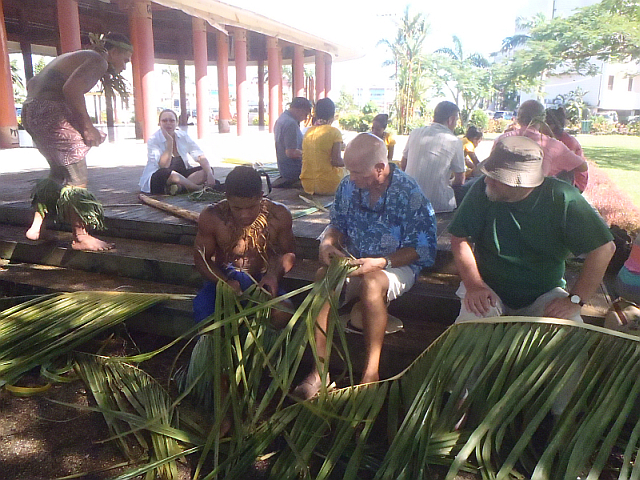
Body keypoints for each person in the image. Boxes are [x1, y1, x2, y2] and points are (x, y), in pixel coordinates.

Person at [293, 133, 437, 399]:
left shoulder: (408, 191)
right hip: (355, 259)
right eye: (349, 171)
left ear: (380, 168)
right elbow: (336, 224)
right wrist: (327, 244)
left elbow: (422, 247)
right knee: (323, 277)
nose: (351, 177)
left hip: (395, 264)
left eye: (357, 172)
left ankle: (370, 374)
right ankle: (318, 371)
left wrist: (382, 262)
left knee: (372, 283)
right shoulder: (349, 186)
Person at [449, 136, 615, 325]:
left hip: (545, 294)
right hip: (487, 288)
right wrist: (474, 285)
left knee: (568, 333)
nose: (487, 180)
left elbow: (604, 249)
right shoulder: (482, 189)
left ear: (519, 182)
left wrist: (575, 300)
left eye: (496, 177)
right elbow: (459, 237)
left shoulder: (562, 197)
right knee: (468, 331)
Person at [22, 32, 132, 251]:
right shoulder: (98, 59)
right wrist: (87, 127)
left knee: (58, 170)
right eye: (126, 59)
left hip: (30, 110)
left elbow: (33, 83)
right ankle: (80, 236)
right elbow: (71, 89)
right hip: (49, 112)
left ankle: (37, 227)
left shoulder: (76, 56)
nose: (125, 66)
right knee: (77, 174)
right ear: (115, 52)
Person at [192, 166, 296, 328]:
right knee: (207, 319)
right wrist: (225, 282)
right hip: (223, 279)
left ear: (261, 197)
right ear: (227, 198)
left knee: (283, 312)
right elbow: (201, 259)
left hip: (263, 282)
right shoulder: (212, 217)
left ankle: (262, 351)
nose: (244, 215)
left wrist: (273, 276)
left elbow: (288, 253)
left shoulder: (279, 215)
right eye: (237, 208)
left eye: (251, 207)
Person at [496, 100, 588, 190]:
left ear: (518, 118)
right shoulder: (555, 145)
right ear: (542, 120)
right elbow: (582, 167)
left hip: (506, 194)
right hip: (541, 196)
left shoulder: (502, 139)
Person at [401, 101, 466, 213]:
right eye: (456, 121)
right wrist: (449, 182)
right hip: (438, 206)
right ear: (450, 120)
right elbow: (460, 180)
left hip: (408, 200)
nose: (455, 124)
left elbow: (403, 165)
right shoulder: (454, 141)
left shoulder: (415, 133)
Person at [139, 109, 216, 194]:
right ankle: (195, 188)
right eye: (164, 121)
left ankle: (179, 187)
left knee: (206, 169)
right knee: (165, 173)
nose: (168, 123)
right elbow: (164, 166)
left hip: (180, 174)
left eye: (172, 120)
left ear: (176, 123)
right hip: (160, 177)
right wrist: (169, 143)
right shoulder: (153, 140)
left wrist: (209, 174)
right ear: (159, 123)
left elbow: (199, 155)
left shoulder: (183, 136)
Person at [300, 98, 344, 195]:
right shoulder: (335, 132)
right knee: (349, 172)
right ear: (333, 115)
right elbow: (336, 161)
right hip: (329, 185)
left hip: (307, 184)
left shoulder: (307, 132)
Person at [545, 107, 588, 192]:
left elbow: (564, 166)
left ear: (552, 125)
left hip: (574, 183)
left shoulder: (568, 142)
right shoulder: (546, 139)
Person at [273, 97, 313, 188]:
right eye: (305, 114)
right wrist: (309, 154)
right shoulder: (291, 124)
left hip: (284, 167)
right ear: (299, 110)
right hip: (292, 170)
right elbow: (291, 152)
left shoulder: (282, 118)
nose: (306, 118)